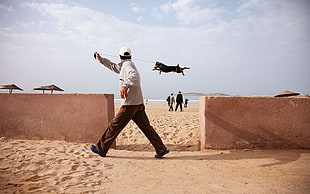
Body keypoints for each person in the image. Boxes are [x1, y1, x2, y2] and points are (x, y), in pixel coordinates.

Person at [90, 47, 169, 158]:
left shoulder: (127, 65)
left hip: (130, 104)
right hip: (138, 103)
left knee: (114, 126)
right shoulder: (125, 65)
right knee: (146, 128)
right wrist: (101, 60)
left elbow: (135, 77)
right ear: (130, 56)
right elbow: (114, 67)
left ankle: (101, 149)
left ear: (120, 56)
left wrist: (124, 85)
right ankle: (161, 149)